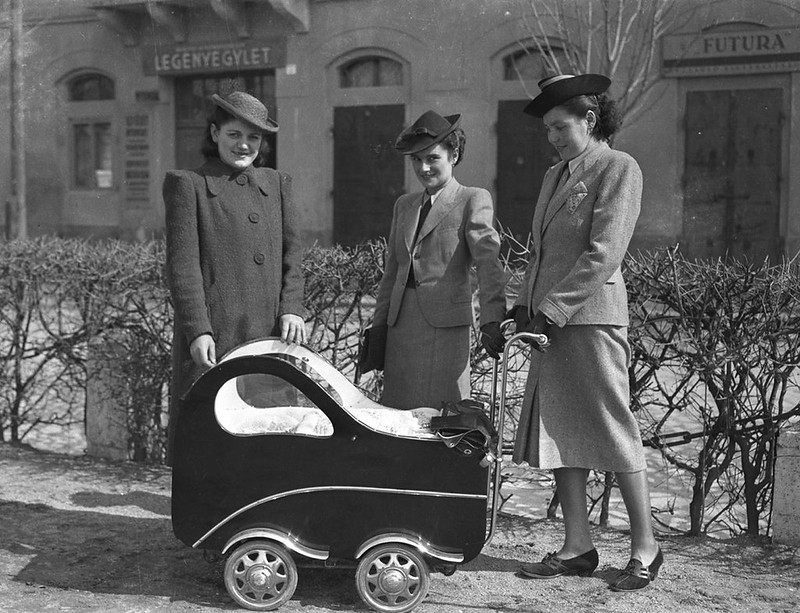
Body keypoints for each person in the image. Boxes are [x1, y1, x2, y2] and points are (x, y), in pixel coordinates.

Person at [509, 74, 662, 591]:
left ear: (590, 120)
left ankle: (646, 547)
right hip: (550, 322)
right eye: (548, 129)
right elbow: (542, 253)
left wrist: (549, 309)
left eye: (560, 126)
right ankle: (578, 546)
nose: (551, 136)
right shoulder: (556, 176)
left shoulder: (619, 168)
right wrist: (522, 305)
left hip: (591, 318)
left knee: (612, 427)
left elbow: (605, 253)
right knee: (559, 431)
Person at [163, 91, 306, 461]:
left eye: (254, 137)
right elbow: (183, 268)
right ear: (214, 134)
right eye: (234, 135)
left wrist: (292, 307)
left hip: (269, 337)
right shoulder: (188, 185)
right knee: (212, 441)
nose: (244, 145)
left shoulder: (276, 185)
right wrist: (198, 329)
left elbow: (294, 255)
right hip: (217, 338)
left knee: (267, 437)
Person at [360, 110, 507, 410]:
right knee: (398, 416)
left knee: (442, 418)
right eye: (416, 159)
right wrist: (379, 329)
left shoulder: (472, 199)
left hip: (444, 330)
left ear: (453, 155)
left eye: (432, 158)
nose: (423, 168)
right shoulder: (405, 205)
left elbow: (489, 263)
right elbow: (392, 274)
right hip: (400, 329)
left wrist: (492, 318)